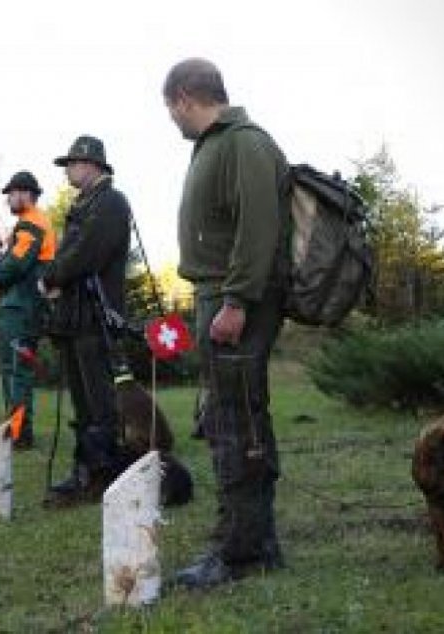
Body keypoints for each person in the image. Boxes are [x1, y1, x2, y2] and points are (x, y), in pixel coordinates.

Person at [163, 58, 290, 588]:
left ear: (186, 98)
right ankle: (253, 541)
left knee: (236, 423)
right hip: (218, 294)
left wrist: (235, 301)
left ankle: (241, 553)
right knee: (228, 418)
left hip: (236, 299)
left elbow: (258, 227)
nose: (172, 119)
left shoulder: (244, 141)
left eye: (171, 109)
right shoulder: (217, 144)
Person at [41, 135, 132, 505]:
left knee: (98, 402)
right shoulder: (86, 203)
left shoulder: (109, 201)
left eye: (72, 163)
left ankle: (104, 474)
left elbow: (86, 255)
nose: (67, 170)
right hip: (76, 318)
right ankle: (86, 470)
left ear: (92, 164)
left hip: (95, 316)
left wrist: (51, 276)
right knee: (83, 402)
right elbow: (73, 254)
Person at [0, 170, 56, 449]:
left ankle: (18, 434)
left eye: (12, 193)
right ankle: (14, 430)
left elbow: (17, 263)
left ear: (27, 194)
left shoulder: (32, 222)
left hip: (21, 307)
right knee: (13, 370)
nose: (9, 199)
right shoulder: (27, 224)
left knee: (16, 372)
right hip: (17, 306)